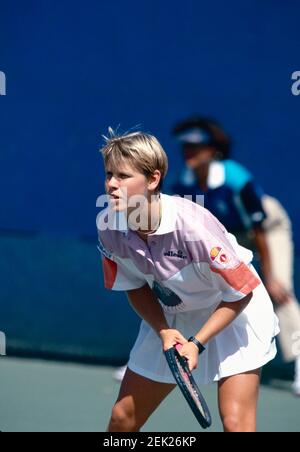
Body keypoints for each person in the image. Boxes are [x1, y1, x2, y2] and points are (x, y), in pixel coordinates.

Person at [97, 129, 279, 432]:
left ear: (153, 179)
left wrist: (197, 343)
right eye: (109, 174)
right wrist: (165, 332)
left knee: (236, 424)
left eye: (124, 176)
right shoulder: (111, 226)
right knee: (122, 419)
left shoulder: (192, 227)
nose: (112, 184)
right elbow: (135, 286)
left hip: (234, 310)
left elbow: (241, 291)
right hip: (175, 314)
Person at [172, 116, 300, 396]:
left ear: (213, 151)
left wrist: (270, 276)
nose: (189, 153)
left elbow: (260, 230)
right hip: (227, 236)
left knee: (280, 289)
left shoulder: (236, 179)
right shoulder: (184, 183)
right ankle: (153, 358)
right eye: (185, 148)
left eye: (196, 147)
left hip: (267, 228)